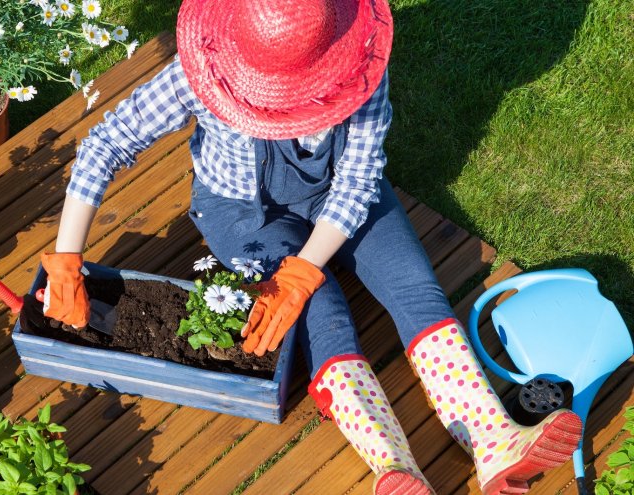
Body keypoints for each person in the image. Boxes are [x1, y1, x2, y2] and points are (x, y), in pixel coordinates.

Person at [40, 0, 583, 493]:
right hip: (240, 212)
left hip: (341, 197)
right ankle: (394, 466)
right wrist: (68, 258)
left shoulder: (358, 68)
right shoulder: (201, 71)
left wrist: (303, 270)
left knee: (414, 286)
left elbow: (358, 178)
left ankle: (493, 441)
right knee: (324, 314)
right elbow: (109, 141)